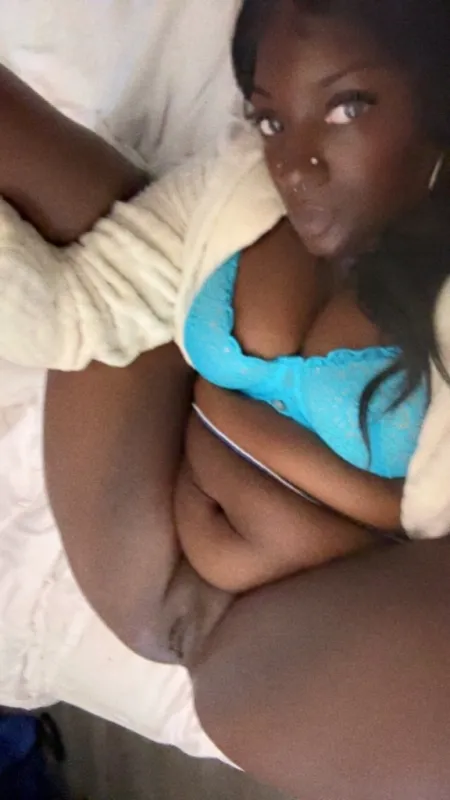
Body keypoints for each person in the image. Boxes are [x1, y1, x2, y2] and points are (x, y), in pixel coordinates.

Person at [2, 0, 450, 796]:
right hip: (157, 581)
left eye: (347, 107)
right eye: (271, 119)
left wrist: (232, 414)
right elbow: (86, 301)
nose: (296, 164)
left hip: (303, 633)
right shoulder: (241, 186)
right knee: (91, 205)